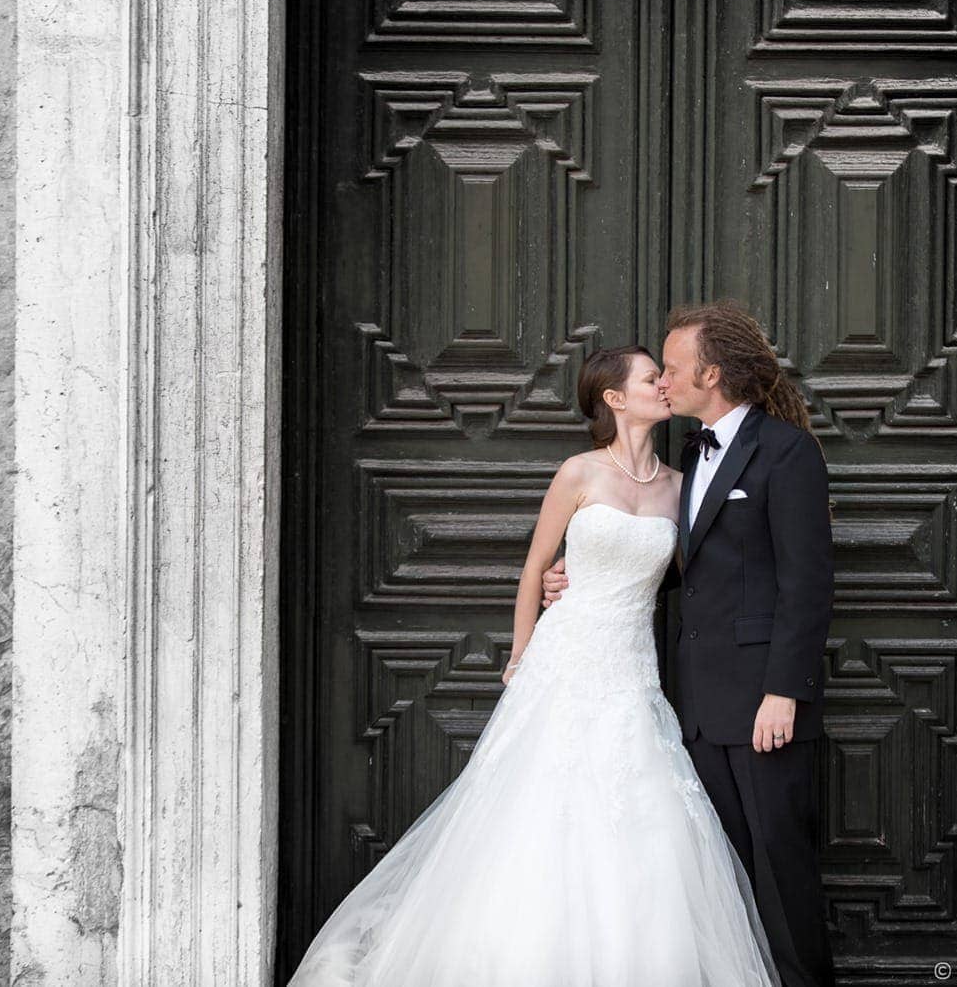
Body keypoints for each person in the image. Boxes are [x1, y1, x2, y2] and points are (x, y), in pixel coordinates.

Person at [286, 342, 781, 987]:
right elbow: (534, 568)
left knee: (639, 812)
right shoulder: (579, 473)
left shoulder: (680, 487)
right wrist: (522, 655)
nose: (663, 385)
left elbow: (697, 575)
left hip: (631, 669)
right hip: (564, 658)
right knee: (539, 808)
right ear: (614, 398)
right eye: (650, 378)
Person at [543, 301, 836, 987]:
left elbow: (808, 583)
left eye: (672, 368)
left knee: (781, 868)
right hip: (696, 705)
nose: (664, 380)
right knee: (723, 880)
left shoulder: (787, 452)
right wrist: (585, 573)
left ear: (711, 373)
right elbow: (696, 566)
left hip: (763, 705)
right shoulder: (688, 454)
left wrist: (783, 691)